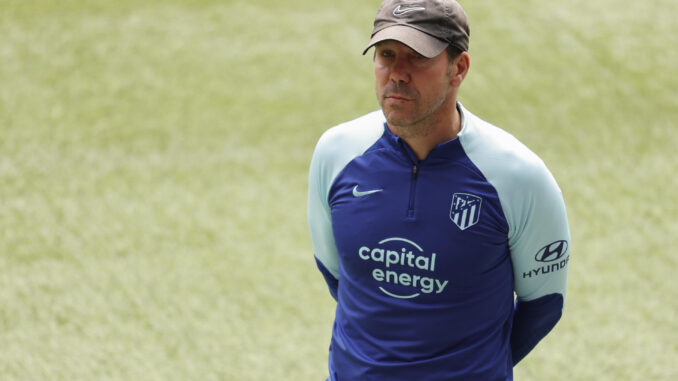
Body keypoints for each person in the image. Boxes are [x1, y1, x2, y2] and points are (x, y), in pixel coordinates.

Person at [307, 0, 571, 379]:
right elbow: (336, 274)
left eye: (417, 57)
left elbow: (544, 304)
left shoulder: (518, 176)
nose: (397, 73)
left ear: (458, 68)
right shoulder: (335, 153)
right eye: (386, 54)